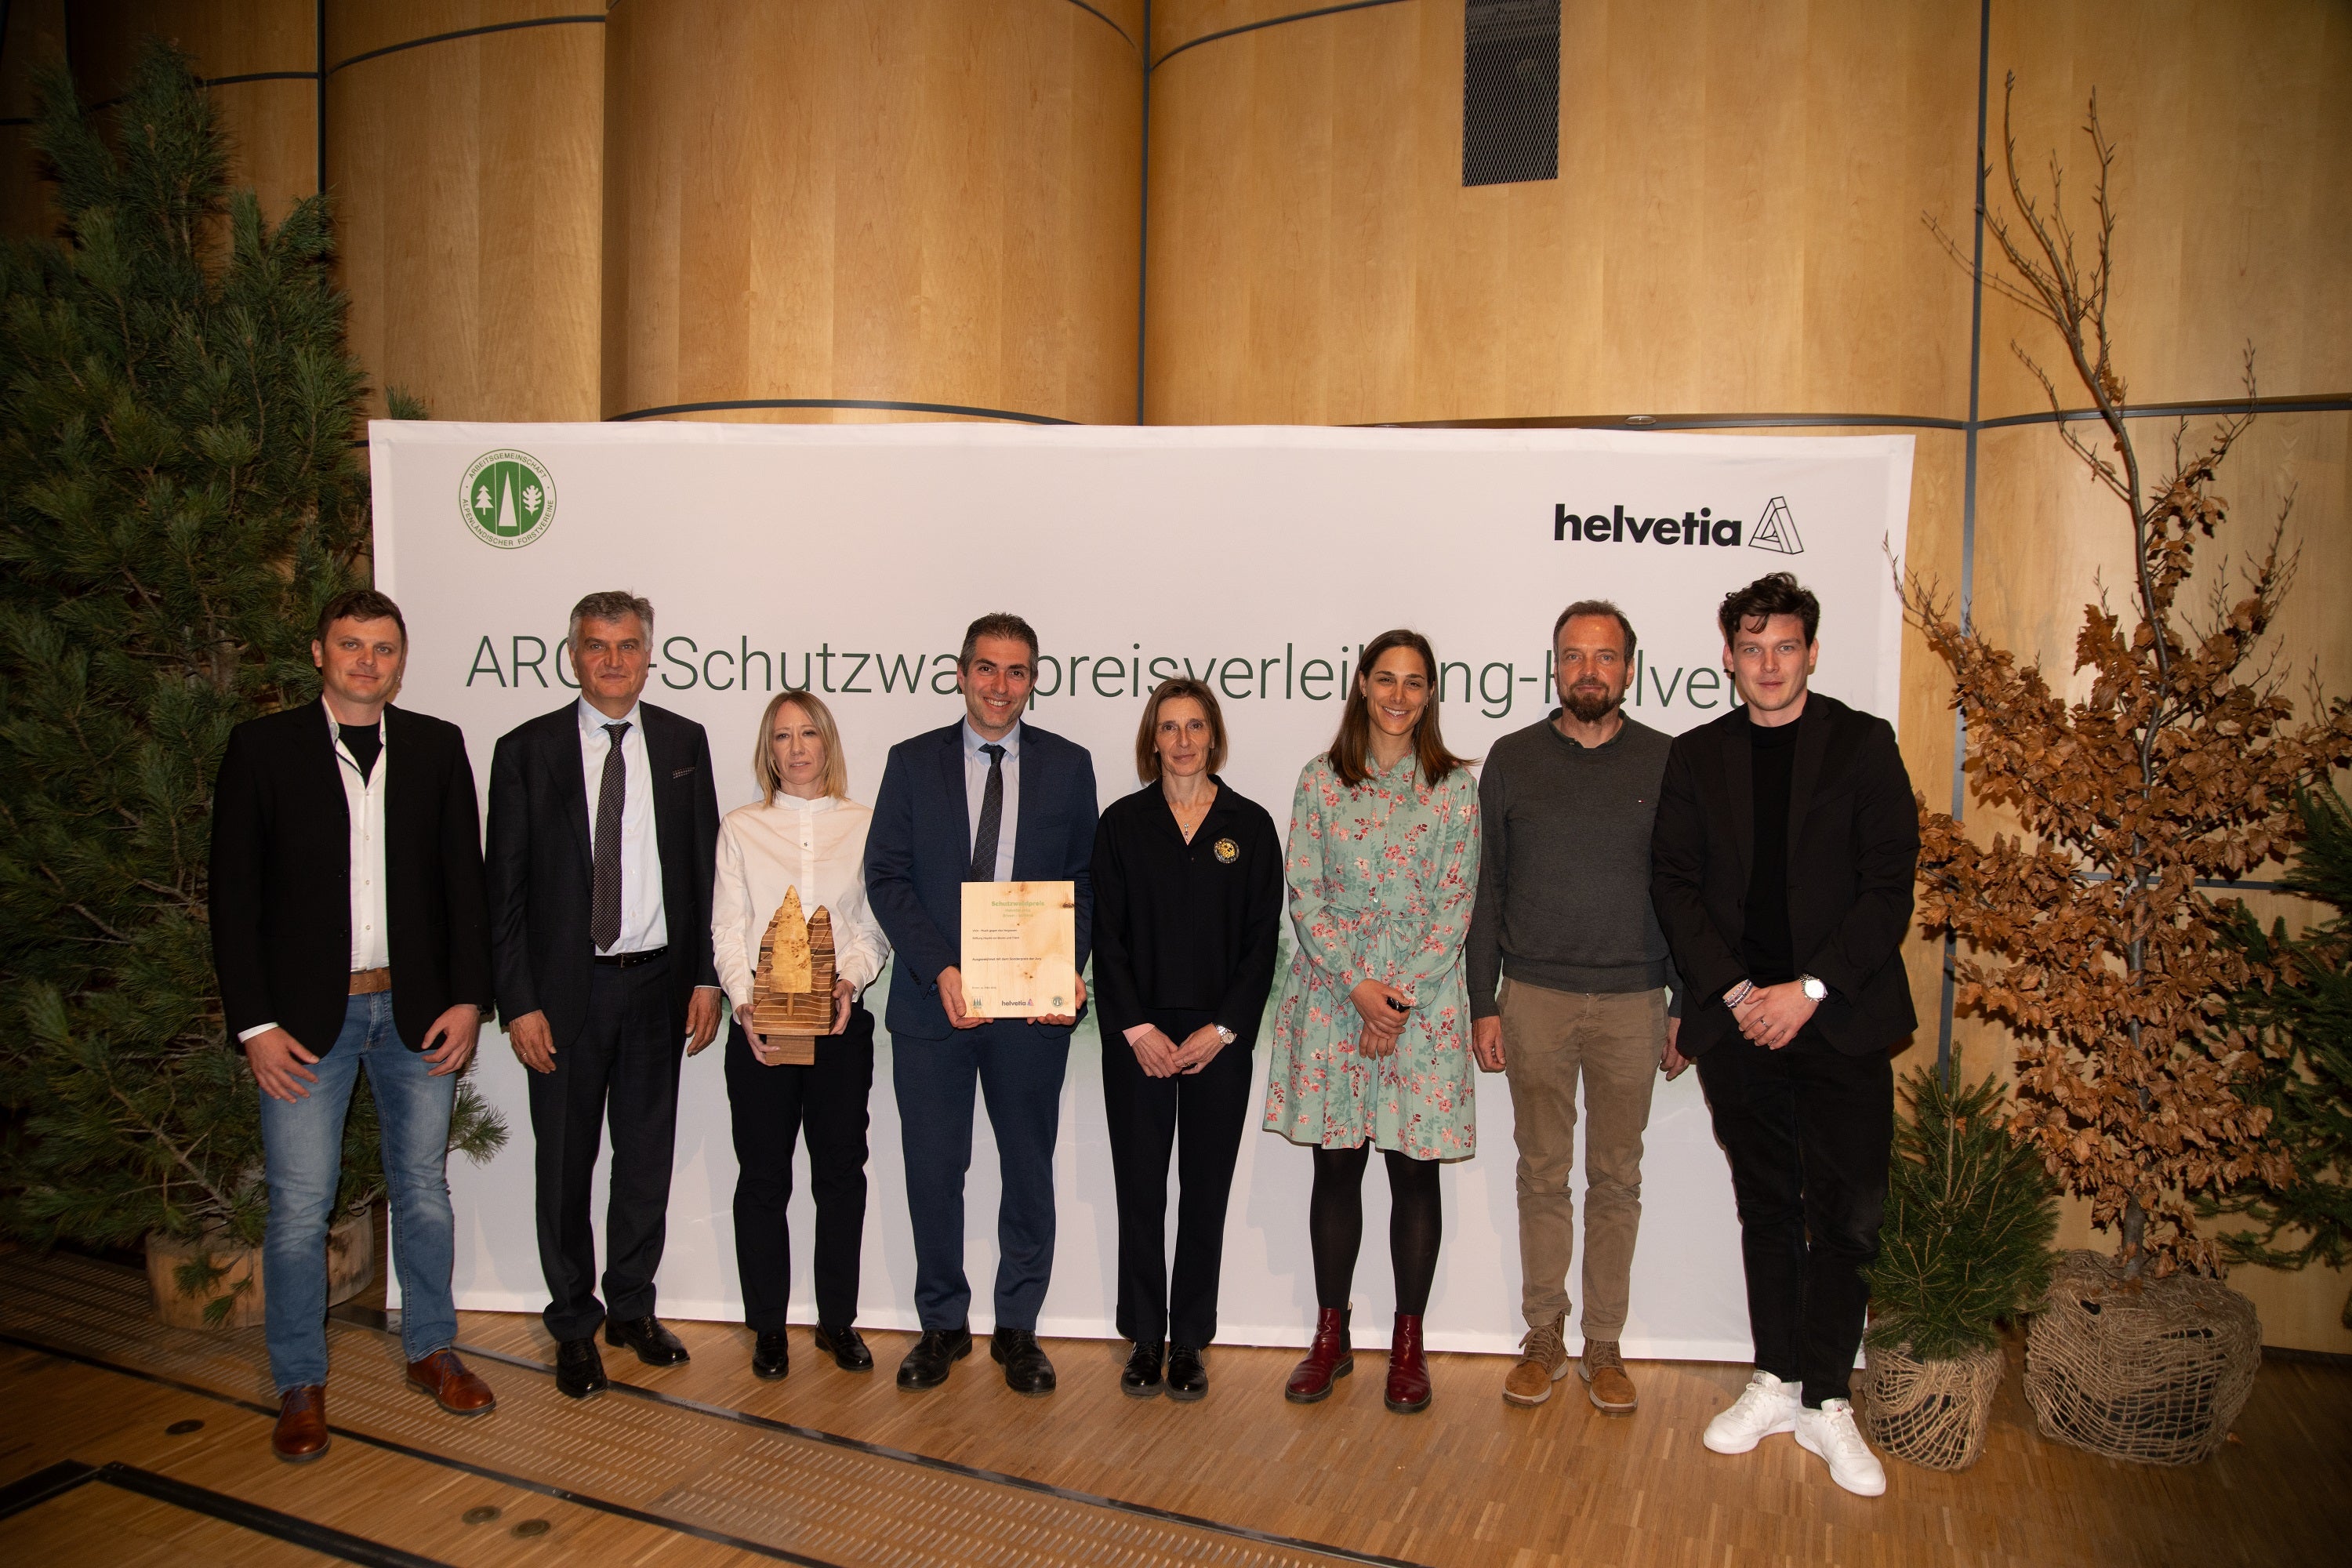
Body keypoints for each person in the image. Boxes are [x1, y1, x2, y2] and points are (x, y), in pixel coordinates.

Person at [210, 589, 498, 1462]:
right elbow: (233, 898)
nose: (367, 661)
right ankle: (300, 1382)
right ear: (319, 652)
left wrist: (468, 998)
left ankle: (432, 1347)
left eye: (383, 648)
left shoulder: (437, 747)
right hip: (304, 1023)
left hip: (416, 1013)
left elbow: (465, 884)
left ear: (400, 661)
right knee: (301, 1205)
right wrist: (255, 1025)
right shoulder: (263, 749)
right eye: (350, 645)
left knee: (424, 1189)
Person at [1650, 572, 1920, 1498]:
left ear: (1811, 652)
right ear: (1728, 657)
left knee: (1847, 1216)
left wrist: (1807, 988)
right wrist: (1736, 992)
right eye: (1752, 647)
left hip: (1839, 1017)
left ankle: (1828, 1398)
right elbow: (1673, 884)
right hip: (1739, 1025)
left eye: (1785, 646)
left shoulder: (1863, 744)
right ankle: (1775, 1375)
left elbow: (1889, 885)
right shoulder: (1696, 757)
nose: (1769, 664)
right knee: (1767, 1204)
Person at [486, 590, 724, 1400]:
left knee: (645, 1161)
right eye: (597, 645)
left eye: (627, 645)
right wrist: (518, 1002)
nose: (613, 660)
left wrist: (706, 977)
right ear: (574, 656)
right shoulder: (526, 750)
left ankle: (630, 1308)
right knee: (564, 1165)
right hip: (563, 995)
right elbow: (503, 893)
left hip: (658, 985)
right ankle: (571, 1323)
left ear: (648, 656)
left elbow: (703, 871)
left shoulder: (684, 742)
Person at [864, 612, 1099, 1396]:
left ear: (1033, 680)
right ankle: (942, 1324)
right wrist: (939, 967)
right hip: (933, 1004)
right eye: (988, 669)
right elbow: (886, 876)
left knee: (1028, 1168)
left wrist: (1065, 968)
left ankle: (1018, 1327)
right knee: (935, 1170)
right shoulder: (910, 762)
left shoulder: (1069, 766)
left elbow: (1086, 880)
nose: (1001, 686)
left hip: (1030, 1010)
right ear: (961, 673)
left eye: (1017, 671)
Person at [1467, 601, 1682, 1414]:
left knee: (1617, 1176)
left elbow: (1689, 888)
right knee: (1541, 1173)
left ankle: (1604, 1342)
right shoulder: (1513, 758)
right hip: (1534, 997)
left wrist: (1686, 1003)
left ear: (1630, 668)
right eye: (1574, 656)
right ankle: (1544, 1334)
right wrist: (1483, 1000)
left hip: (1635, 999)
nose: (1589, 670)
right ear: (1554, 666)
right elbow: (1487, 886)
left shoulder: (1667, 760)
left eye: (1605, 656)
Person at [1263, 629, 1480, 1416]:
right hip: (1334, 998)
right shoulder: (1320, 779)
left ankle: (1408, 1346)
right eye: (1385, 679)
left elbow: (1456, 903)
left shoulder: (1454, 788)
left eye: (1414, 682)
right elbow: (1305, 892)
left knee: (1414, 1172)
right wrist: (1358, 986)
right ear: (1361, 683)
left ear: (1430, 694)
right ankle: (1331, 1336)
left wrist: (1396, 1001)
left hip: (1422, 1006)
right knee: (1336, 1166)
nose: (1398, 695)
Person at [1091, 679, 1283, 1402]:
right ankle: (1145, 1337)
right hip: (1138, 1037)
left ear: (1213, 736)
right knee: (1140, 1189)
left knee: (1205, 1191)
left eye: (1195, 726)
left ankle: (1190, 1341)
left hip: (1217, 1040)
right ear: (1152, 739)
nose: (1182, 741)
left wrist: (1224, 1028)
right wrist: (1136, 1028)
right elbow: (1105, 936)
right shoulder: (1122, 823)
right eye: (1168, 727)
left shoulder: (1250, 825)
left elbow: (1262, 941)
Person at [710, 690, 891, 1381]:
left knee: (841, 1176)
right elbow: (727, 929)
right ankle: (767, 1328)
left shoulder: (865, 825)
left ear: (827, 744)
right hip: (762, 1031)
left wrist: (849, 981)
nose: (796, 748)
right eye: (782, 736)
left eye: (808, 734)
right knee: (763, 1179)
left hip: (840, 1026)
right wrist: (743, 1004)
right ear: (769, 749)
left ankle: (836, 1322)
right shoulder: (741, 827)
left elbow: (873, 928)